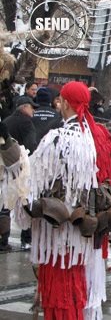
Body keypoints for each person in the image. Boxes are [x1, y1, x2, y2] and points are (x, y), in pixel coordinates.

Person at [26, 81, 111, 319]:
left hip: (56, 236)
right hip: (84, 237)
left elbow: (31, 188)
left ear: (64, 103)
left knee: (59, 296)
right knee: (76, 292)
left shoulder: (55, 139)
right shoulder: (96, 138)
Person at [3, 96, 39, 249]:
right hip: (22, 169)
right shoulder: (27, 123)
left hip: (4, 168)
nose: (33, 110)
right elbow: (31, 144)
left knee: (4, 204)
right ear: (24, 107)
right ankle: (26, 240)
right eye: (31, 107)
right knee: (25, 203)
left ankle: (3, 239)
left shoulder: (6, 121)